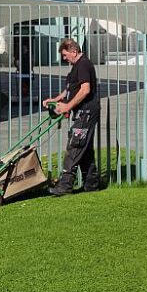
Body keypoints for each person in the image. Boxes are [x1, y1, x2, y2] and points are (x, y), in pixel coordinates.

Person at [43, 38, 101, 195]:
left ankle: (65, 185)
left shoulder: (83, 65)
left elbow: (85, 89)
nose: (64, 58)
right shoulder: (77, 66)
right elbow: (71, 89)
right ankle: (91, 185)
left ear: (74, 51)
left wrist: (68, 106)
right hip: (83, 113)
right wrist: (55, 100)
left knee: (74, 146)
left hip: (86, 113)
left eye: (65, 54)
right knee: (85, 149)